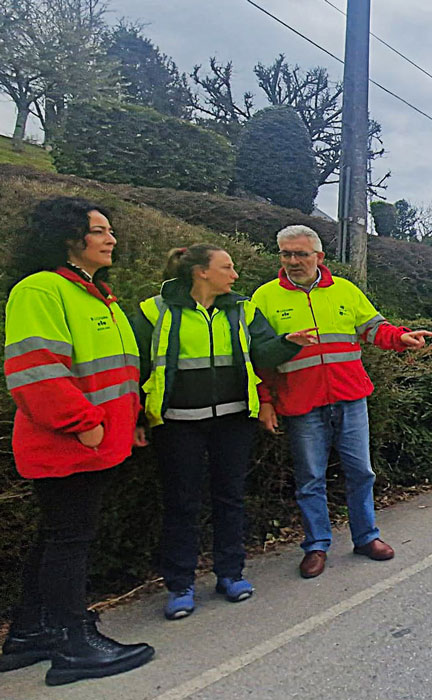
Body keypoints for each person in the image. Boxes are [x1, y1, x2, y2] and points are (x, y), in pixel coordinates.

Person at [1, 197, 154, 686]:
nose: (111, 239)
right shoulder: (41, 290)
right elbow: (36, 370)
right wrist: (81, 422)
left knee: (57, 536)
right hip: (68, 443)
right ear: (70, 237)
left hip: (94, 442)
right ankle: (74, 643)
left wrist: (131, 420)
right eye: (100, 230)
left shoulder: (93, 294)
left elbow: (116, 374)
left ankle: (30, 633)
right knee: (70, 540)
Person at [131, 244, 318, 620]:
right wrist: (136, 417)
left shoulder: (243, 308)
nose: (234, 275)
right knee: (182, 503)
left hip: (233, 419)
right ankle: (180, 585)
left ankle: (230, 574)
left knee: (230, 498)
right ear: (201, 272)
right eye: (227, 267)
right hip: (177, 422)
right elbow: (134, 365)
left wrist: (286, 344)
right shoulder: (155, 310)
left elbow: (262, 353)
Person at [251, 226, 432, 579]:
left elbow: (374, 328)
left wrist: (401, 338)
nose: (293, 261)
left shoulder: (346, 291)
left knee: (361, 473)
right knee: (309, 479)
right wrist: (266, 402)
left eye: (301, 254)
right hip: (302, 404)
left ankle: (366, 537)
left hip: (350, 398)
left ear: (319, 257)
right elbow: (260, 358)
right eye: (286, 254)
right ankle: (316, 546)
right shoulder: (265, 298)